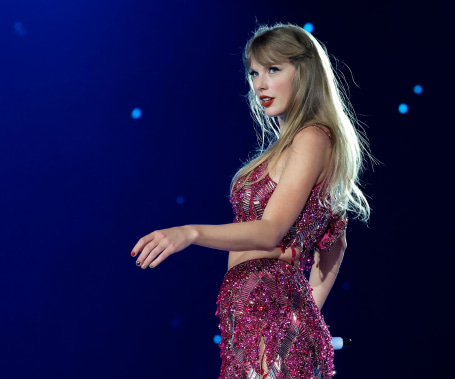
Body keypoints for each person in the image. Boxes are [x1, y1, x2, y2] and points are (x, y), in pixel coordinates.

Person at [130, 23, 371, 379]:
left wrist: (190, 233)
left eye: (274, 69)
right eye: (254, 72)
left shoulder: (313, 138)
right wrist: (300, 320)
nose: (260, 84)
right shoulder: (290, 145)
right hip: (255, 323)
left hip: (269, 320)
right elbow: (338, 241)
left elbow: (271, 232)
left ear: (304, 72)